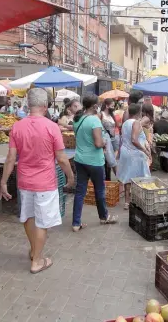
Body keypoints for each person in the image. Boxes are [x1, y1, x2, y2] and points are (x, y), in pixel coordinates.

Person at [0, 89, 74, 274]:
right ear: (45, 106)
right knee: (42, 222)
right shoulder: (52, 127)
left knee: (28, 216)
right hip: (45, 183)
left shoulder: (17, 127)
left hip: (24, 181)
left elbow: (10, 158)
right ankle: (37, 261)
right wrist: (71, 176)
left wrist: (3, 181)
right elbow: (62, 158)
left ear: (28, 104)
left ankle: (34, 251)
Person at [72, 94, 118, 232]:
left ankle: (75, 223)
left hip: (79, 159)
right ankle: (104, 217)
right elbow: (98, 143)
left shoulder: (77, 119)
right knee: (99, 190)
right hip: (95, 162)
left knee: (80, 192)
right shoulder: (94, 120)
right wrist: (104, 142)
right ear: (94, 106)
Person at [117, 103, 151, 210]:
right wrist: (145, 151)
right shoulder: (135, 122)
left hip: (126, 152)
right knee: (141, 176)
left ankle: (127, 202)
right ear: (139, 112)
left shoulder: (125, 123)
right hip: (135, 153)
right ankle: (141, 200)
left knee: (128, 176)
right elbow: (134, 140)